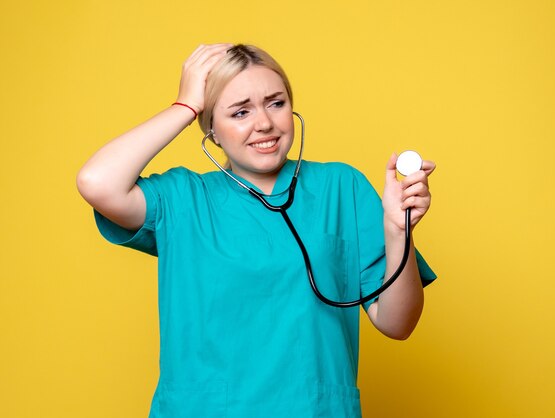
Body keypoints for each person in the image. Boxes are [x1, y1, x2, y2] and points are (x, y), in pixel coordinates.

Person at [77, 43, 437, 418]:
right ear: (211, 129)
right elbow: (97, 182)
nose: (264, 122)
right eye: (240, 111)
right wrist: (184, 106)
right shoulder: (183, 199)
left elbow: (398, 324)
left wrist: (399, 233)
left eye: (276, 103)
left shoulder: (340, 188)